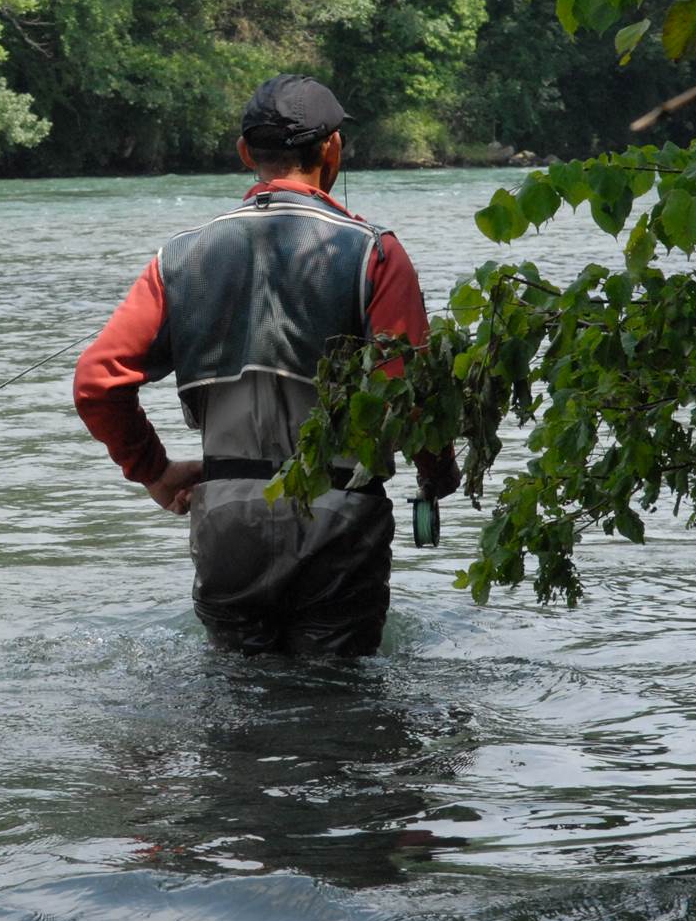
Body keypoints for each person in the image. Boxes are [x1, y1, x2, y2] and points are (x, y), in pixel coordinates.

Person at [73, 75, 459, 656]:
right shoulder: (375, 253)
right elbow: (407, 396)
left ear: (246, 154)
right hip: (340, 518)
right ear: (333, 149)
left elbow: (97, 382)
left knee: (235, 709)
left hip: (226, 517)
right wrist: (436, 473)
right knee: (337, 705)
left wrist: (153, 470)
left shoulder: (177, 257)